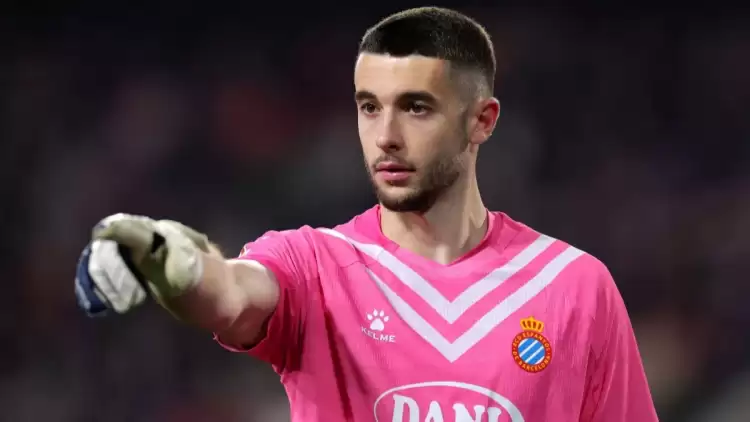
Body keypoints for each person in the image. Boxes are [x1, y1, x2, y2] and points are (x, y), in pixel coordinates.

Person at [74, 7, 659, 422]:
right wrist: (167, 257)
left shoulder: (575, 287)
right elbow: (227, 292)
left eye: (417, 108)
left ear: (482, 120)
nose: (385, 137)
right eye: (369, 107)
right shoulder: (316, 266)